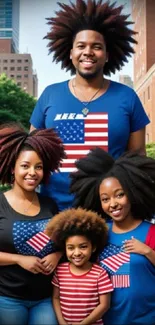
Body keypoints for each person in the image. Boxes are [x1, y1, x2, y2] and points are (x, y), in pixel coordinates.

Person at [29, 0, 150, 211]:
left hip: (111, 215)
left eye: (97, 47)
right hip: (53, 212)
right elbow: (32, 153)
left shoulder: (127, 97)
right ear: (70, 53)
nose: (88, 52)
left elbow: (138, 160)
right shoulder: (50, 95)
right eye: (81, 46)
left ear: (107, 55)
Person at [70, 148, 155, 325]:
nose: (113, 204)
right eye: (105, 199)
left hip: (146, 317)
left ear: (132, 193)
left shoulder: (150, 231)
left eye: (120, 195)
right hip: (106, 319)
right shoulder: (97, 233)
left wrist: (147, 251)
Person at [0, 123, 65, 325]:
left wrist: (57, 255)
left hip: (45, 298)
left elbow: (65, 242)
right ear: (12, 167)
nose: (32, 172)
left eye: (38, 167)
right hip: (8, 298)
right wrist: (19, 260)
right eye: (25, 166)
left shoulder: (50, 205)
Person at [45, 207, 113, 325]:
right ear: (64, 248)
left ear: (93, 247)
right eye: (71, 248)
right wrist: (61, 321)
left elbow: (104, 305)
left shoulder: (100, 273)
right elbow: (56, 298)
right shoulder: (60, 270)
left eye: (83, 246)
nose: (76, 253)